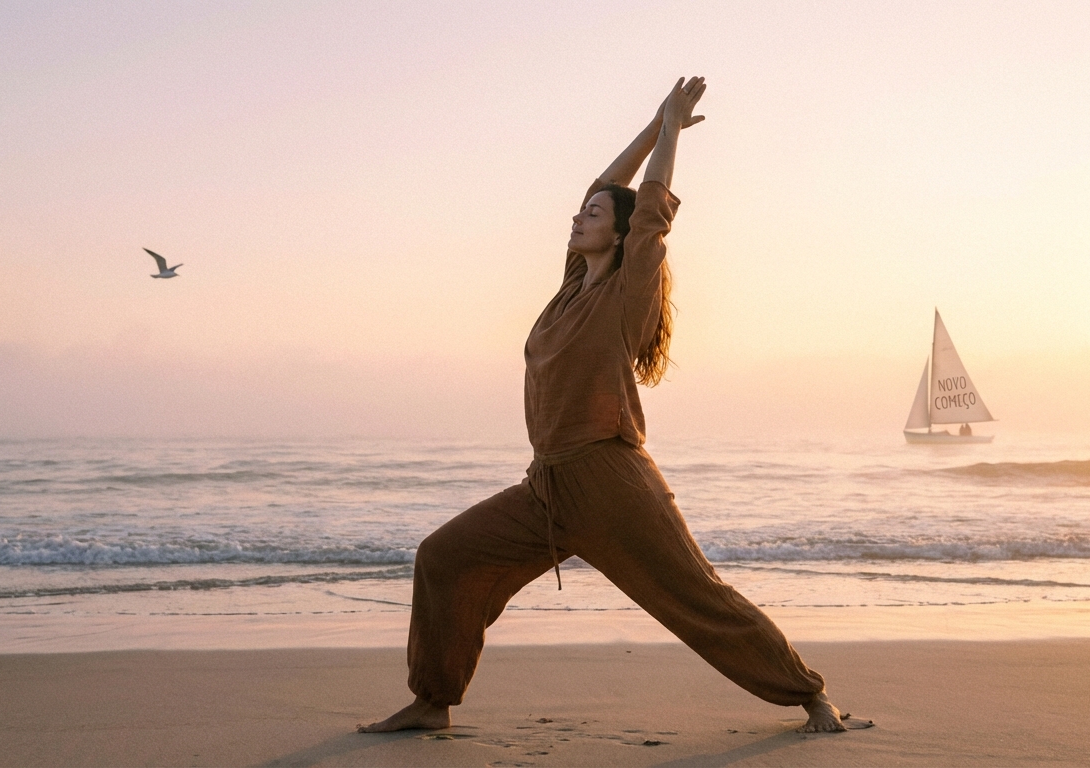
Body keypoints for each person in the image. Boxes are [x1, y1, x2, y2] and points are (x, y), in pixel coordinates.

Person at [358, 77, 848, 735]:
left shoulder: (624, 294)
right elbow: (607, 186)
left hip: (614, 483)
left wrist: (672, 129)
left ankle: (811, 696)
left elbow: (649, 211)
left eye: (593, 214)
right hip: (548, 487)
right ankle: (433, 702)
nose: (578, 216)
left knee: (698, 600)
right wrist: (648, 124)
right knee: (444, 557)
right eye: (581, 209)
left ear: (618, 237)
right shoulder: (569, 291)